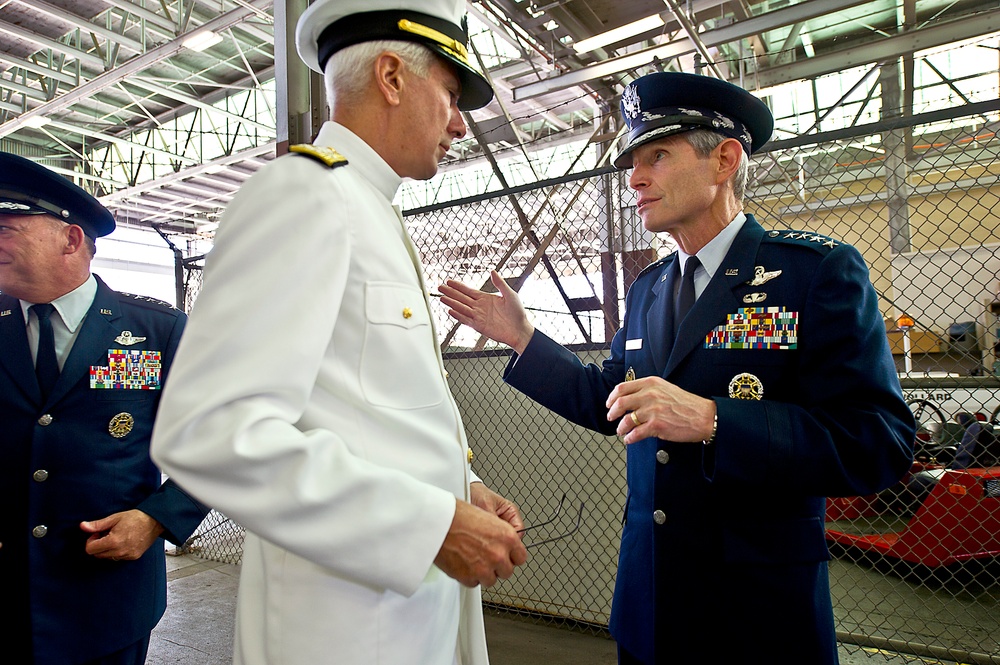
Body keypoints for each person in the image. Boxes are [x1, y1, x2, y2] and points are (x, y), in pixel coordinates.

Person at [439, 72, 916, 664]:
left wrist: (717, 420)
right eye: (634, 160)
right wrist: (524, 338)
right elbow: (610, 398)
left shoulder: (813, 273)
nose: (635, 178)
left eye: (658, 156)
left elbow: (880, 441)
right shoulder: (649, 288)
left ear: (724, 159)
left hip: (755, 614)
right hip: (651, 604)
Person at [149, 1, 528, 664]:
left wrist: (457, 491)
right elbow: (210, 431)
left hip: (403, 618)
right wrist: (427, 524)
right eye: (450, 93)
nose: (460, 124)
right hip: (342, 631)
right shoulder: (305, 194)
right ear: (391, 76)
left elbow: (359, 410)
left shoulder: (366, 206)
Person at [0, 151, 210, 665]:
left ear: (70, 239)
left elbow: (214, 445)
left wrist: (157, 518)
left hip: (106, 596)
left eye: (6, 227)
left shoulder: (159, 332)